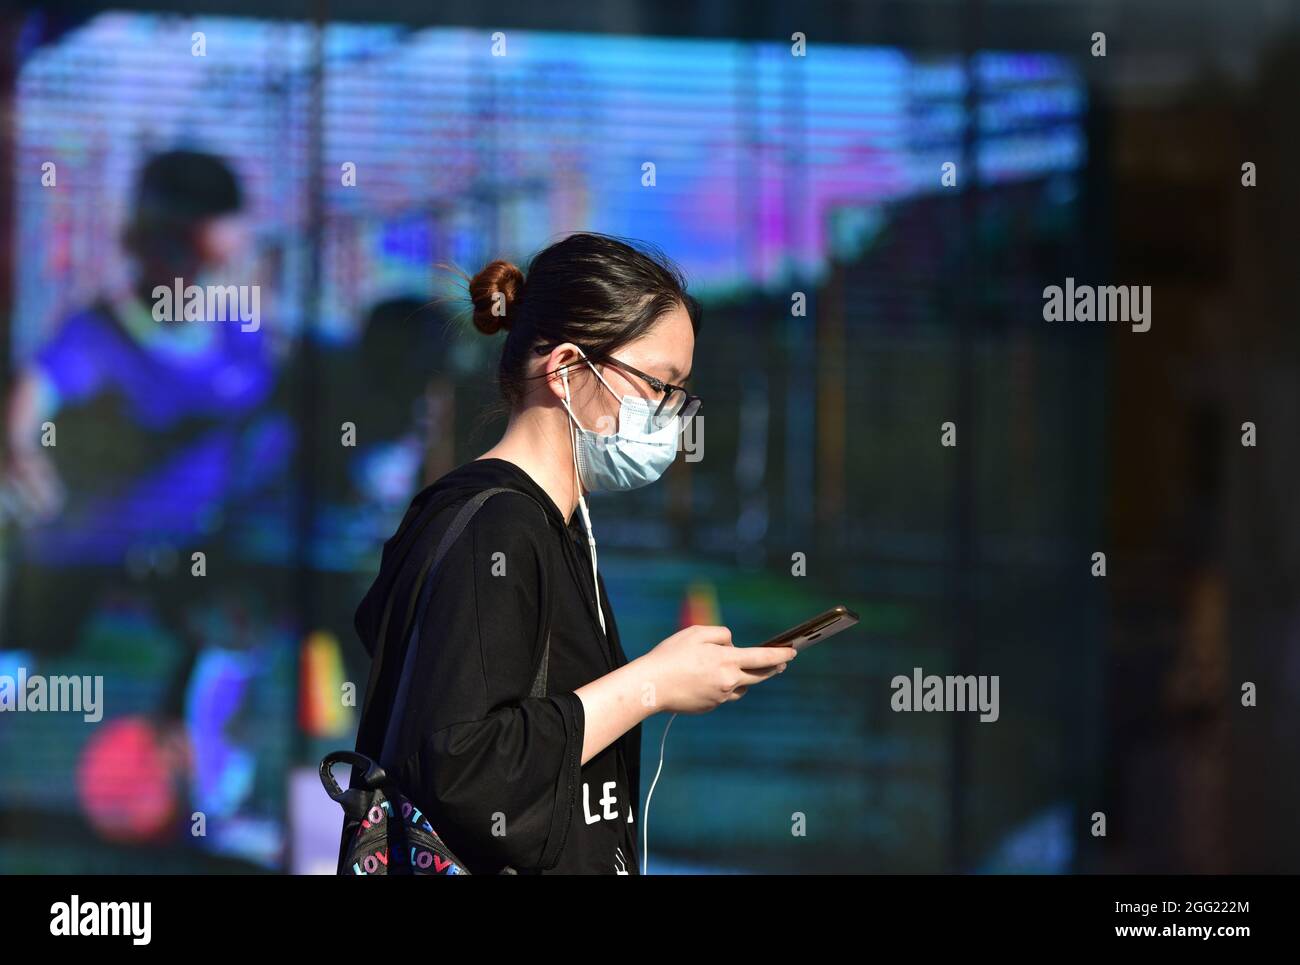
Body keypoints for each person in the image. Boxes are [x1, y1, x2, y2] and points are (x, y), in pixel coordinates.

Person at [342, 232, 798, 875]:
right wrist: (652, 684)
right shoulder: (495, 527)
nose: (671, 414)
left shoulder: (552, 524)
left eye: (679, 393)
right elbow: (465, 763)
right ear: (564, 369)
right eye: (658, 385)